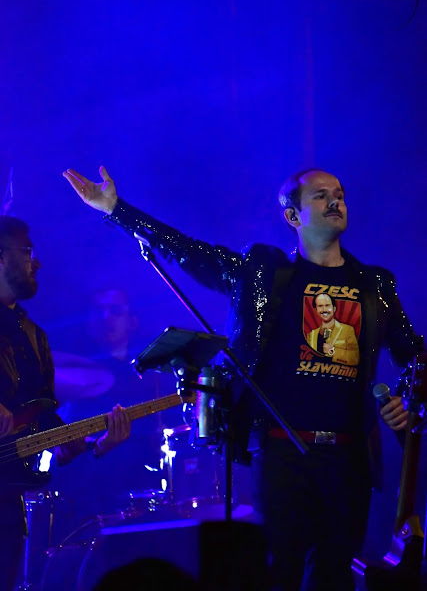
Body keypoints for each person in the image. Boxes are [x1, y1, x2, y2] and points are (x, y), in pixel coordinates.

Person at [63, 165, 424, 591]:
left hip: (349, 456)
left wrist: (405, 400)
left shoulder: (373, 284)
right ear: (293, 216)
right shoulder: (263, 273)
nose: (335, 201)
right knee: (280, 571)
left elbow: (415, 356)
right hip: (282, 450)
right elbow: (188, 251)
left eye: (340, 194)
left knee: (334, 573)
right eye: (321, 195)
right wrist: (117, 209)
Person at [0, 216, 132, 591]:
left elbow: (45, 425)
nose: (37, 263)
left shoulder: (34, 337)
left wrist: (96, 445)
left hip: (8, 500)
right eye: (27, 252)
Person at [49, 286, 180, 527]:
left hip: (144, 484)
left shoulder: (152, 376)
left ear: (132, 321)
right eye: (99, 310)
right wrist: (100, 446)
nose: (106, 316)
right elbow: (64, 456)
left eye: (115, 310)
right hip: (88, 492)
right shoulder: (74, 377)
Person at [306, 293, 360, 365]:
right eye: (320, 306)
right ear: (316, 310)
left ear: (334, 309)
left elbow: (356, 358)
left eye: (327, 305)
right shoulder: (311, 335)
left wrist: (333, 351)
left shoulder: (347, 330)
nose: (324, 309)